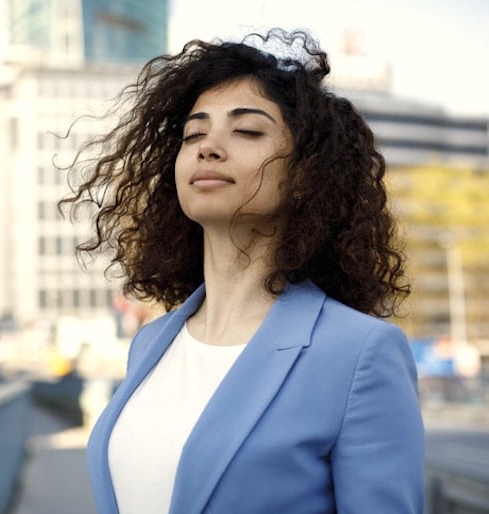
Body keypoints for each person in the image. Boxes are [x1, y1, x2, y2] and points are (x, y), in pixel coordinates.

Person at [59, 28, 424, 514]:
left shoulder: (361, 354)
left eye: (247, 130)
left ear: (305, 173)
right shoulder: (153, 342)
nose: (208, 147)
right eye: (194, 134)